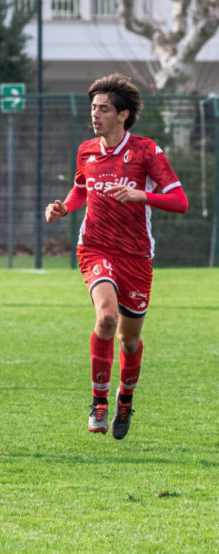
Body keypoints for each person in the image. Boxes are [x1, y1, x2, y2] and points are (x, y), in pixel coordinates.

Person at [45, 73, 188, 440]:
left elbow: (180, 201)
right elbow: (81, 190)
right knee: (106, 317)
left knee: (129, 340)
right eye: (93, 108)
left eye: (104, 109)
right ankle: (99, 401)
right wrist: (64, 208)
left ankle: (125, 399)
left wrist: (142, 195)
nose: (95, 114)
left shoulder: (146, 151)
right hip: (95, 247)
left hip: (136, 256)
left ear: (123, 114)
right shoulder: (86, 150)